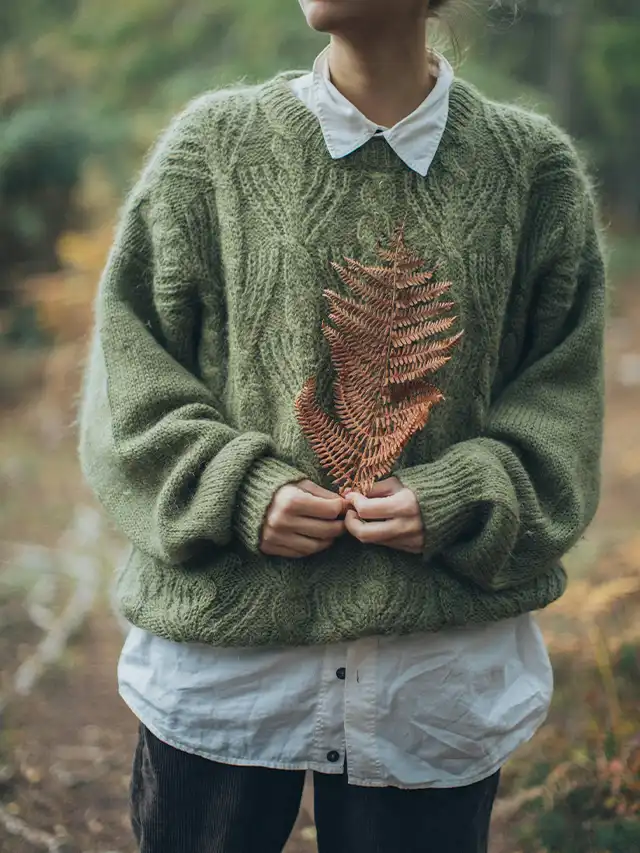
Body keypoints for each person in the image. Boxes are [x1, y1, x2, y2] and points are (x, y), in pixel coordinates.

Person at [78, 0, 607, 851]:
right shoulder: (212, 149)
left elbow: (562, 407)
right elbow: (128, 379)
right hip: (227, 671)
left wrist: (462, 495)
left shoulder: (533, 171)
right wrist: (237, 485)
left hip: (430, 683)